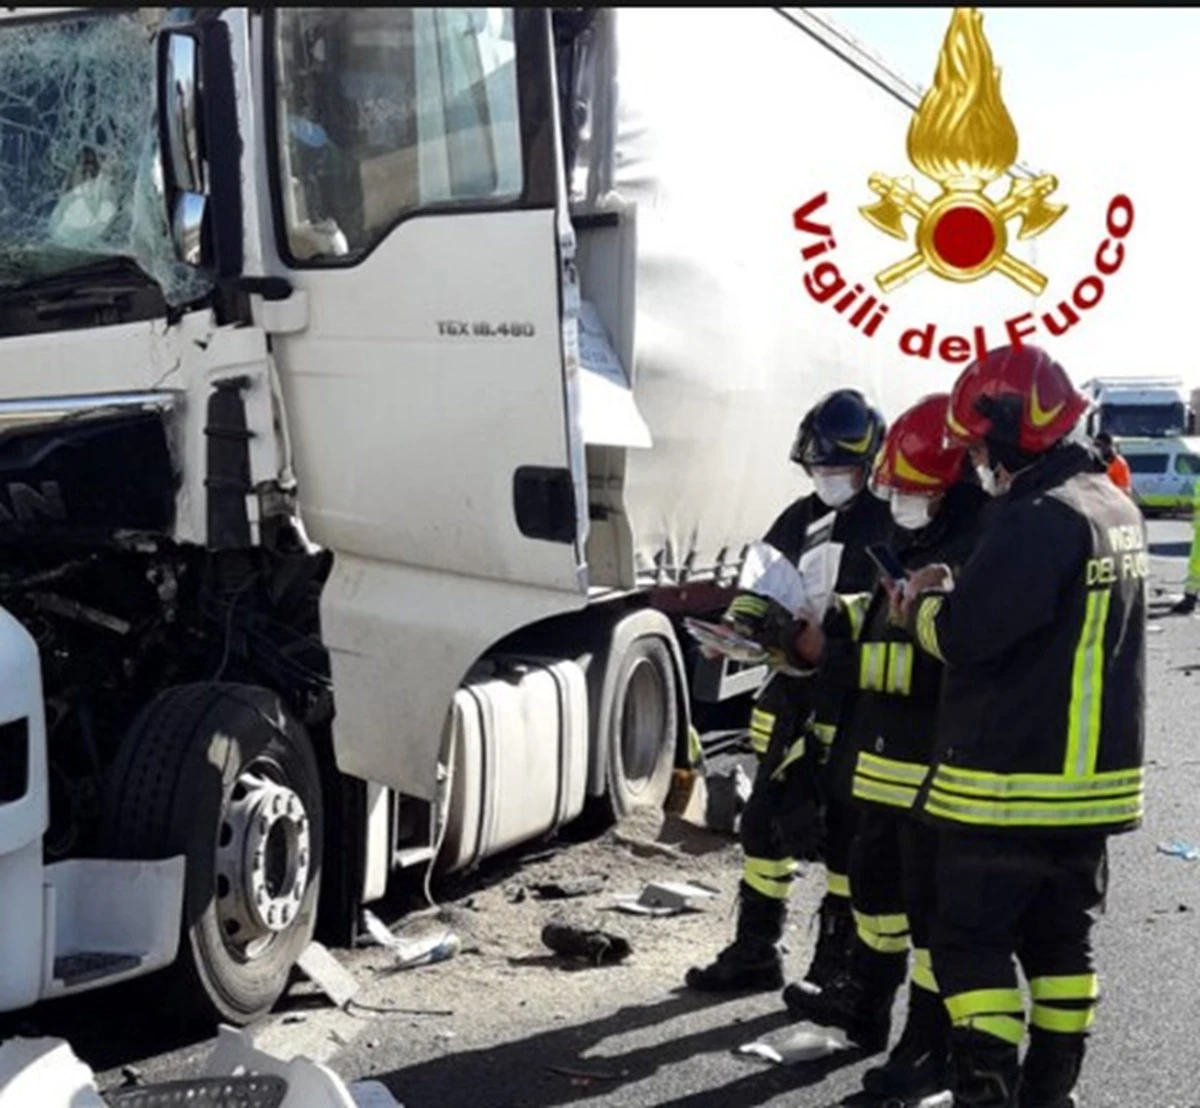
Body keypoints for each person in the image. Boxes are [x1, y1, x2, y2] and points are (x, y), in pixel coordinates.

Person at [891, 344, 1145, 1108]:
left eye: (976, 444)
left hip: (1004, 787)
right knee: (1060, 946)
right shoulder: (1113, 506)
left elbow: (968, 638)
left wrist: (923, 605)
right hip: (1090, 795)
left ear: (1008, 430)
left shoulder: (1037, 516)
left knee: (967, 946)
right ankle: (1051, 1091)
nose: (973, 461)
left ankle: (986, 1090)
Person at [780, 393, 989, 1101]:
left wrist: (836, 657)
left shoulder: (973, 547)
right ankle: (865, 1007)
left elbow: (934, 661)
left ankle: (925, 1046)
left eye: (910, 487)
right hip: (882, 759)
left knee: (930, 917)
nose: (896, 497)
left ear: (949, 483)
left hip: (930, 763)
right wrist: (827, 623)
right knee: (875, 890)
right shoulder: (919, 538)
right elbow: (876, 612)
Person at [685, 388, 892, 996]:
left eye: (838, 467)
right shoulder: (799, 517)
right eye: (818, 467)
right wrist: (737, 629)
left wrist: (824, 642)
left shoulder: (889, 524)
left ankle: (834, 964)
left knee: (843, 841)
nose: (826, 477)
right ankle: (756, 949)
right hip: (795, 702)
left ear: (869, 461)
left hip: (854, 703)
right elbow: (760, 586)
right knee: (765, 825)